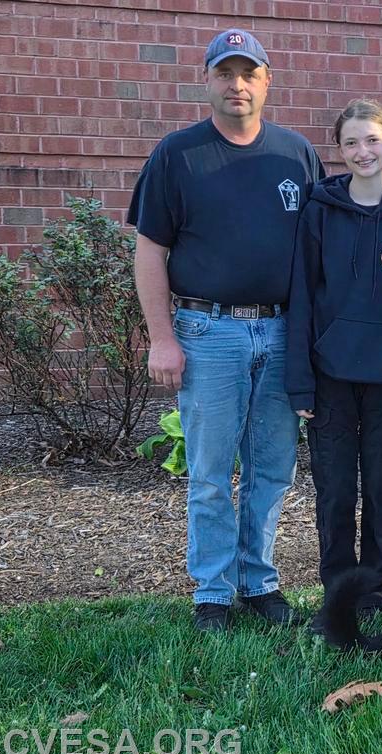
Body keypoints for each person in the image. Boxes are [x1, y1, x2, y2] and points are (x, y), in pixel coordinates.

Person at [128, 28, 325, 632]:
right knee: (211, 473)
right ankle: (212, 591)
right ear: (207, 80)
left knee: (272, 468)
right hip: (206, 331)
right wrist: (162, 337)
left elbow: (318, 249)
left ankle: (258, 581)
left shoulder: (295, 154)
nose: (237, 85)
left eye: (248, 73)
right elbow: (149, 249)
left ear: (267, 82)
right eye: (225, 73)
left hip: (281, 332)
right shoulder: (178, 154)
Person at [284, 99, 382, 626]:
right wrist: (300, 381)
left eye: (372, 140)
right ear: (338, 150)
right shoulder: (319, 211)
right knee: (336, 492)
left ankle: (375, 592)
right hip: (329, 375)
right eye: (351, 142)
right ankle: (338, 591)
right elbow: (301, 295)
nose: (363, 151)